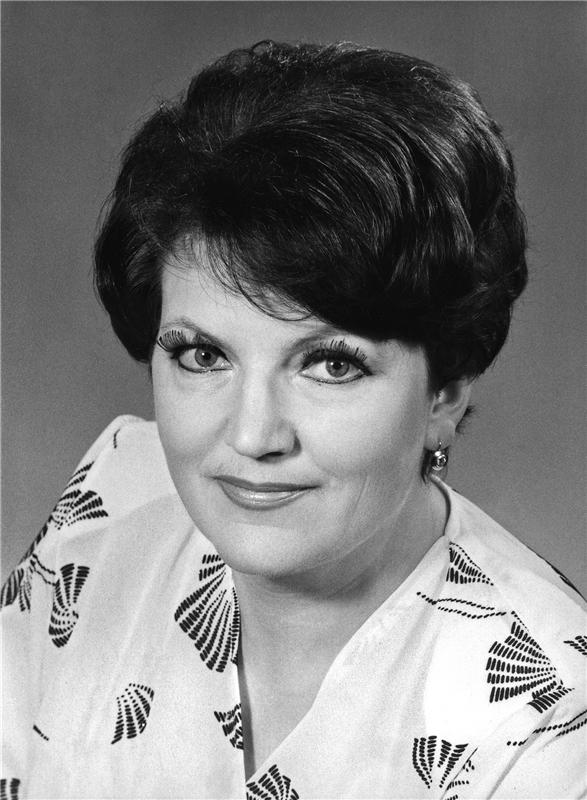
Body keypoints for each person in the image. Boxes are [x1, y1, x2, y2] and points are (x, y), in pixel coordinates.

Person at [1, 40, 585, 800]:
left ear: (445, 391)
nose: (252, 437)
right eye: (203, 355)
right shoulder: (107, 515)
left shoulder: (551, 725)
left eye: (330, 365)